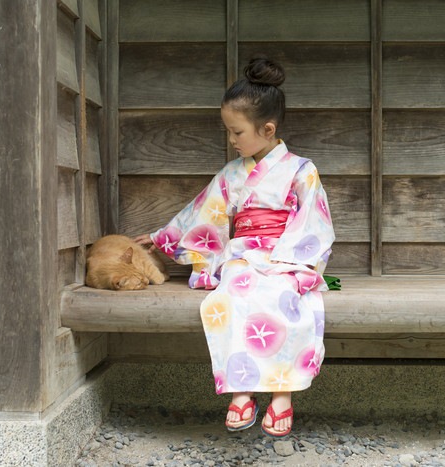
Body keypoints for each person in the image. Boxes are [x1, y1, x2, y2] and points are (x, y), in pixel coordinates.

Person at [135, 56, 335, 438]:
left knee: (288, 299)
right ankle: (241, 391)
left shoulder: (301, 170)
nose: (231, 140)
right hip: (243, 256)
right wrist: (163, 237)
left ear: (268, 128)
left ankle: (282, 394)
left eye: (236, 132)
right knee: (228, 299)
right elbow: (204, 212)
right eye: (228, 131)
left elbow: (314, 220)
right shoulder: (231, 174)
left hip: (286, 255)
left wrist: (291, 263)